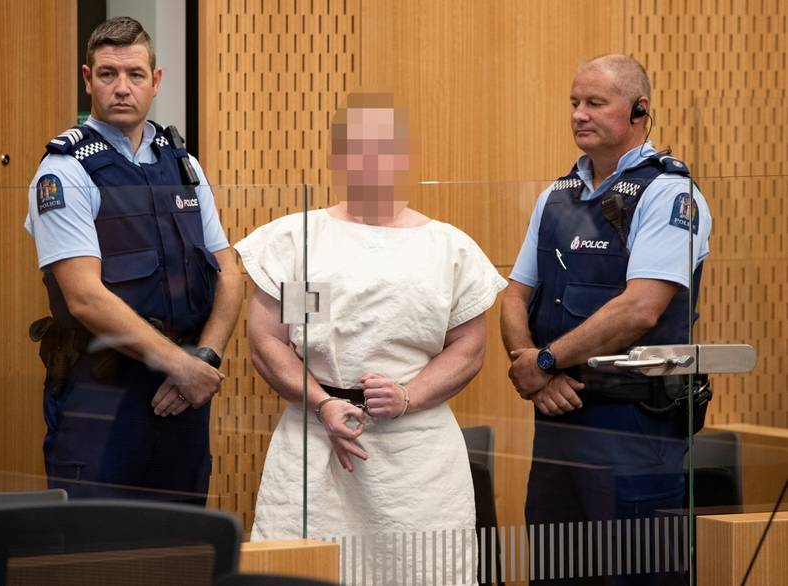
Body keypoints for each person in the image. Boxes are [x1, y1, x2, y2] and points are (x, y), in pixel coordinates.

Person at [235, 93, 508, 584]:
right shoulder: (300, 241)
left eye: (384, 147)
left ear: (403, 157)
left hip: (418, 460)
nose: (371, 159)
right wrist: (323, 403)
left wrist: (408, 395)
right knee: (304, 573)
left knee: (426, 573)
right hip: (313, 441)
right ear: (338, 157)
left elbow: (469, 348)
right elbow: (270, 342)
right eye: (357, 147)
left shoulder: (447, 247)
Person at [501, 54, 712, 585]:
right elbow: (514, 296)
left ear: (639, 110)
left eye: (595, 102)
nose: (579, 114)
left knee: (634, 571)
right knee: (556, 569)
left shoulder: (670, 192)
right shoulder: (556, 196)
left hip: (633, 423)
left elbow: (641, 308)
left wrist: (545, 361)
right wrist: (536, 372)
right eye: (575, 102)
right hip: (557, 416)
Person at [24, 16, 243, 503]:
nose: (122, 87)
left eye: (135, 74)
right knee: (98, 543)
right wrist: (181, 366)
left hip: (183, 396)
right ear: (88, 79)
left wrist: (203, 359)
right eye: (108, 74)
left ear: (156, 81)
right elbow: (84, 297)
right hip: (102, 398)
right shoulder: (65, 170)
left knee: (182, 540)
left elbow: (229, 272)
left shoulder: (182, 165)